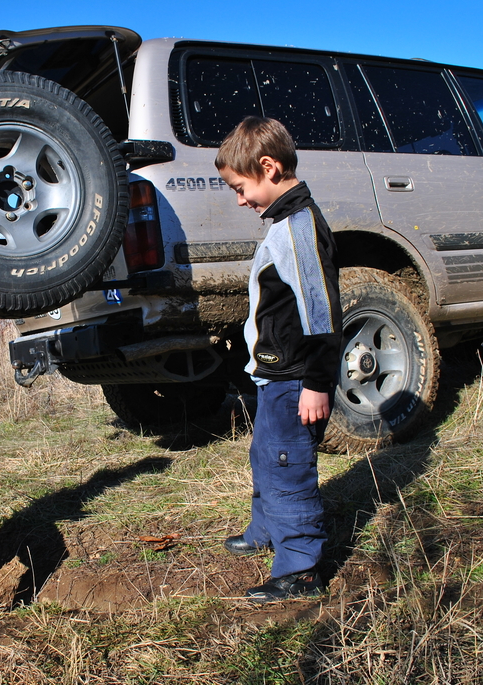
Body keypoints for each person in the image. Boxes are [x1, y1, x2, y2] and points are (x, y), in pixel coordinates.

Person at [215, 116, 342, 602]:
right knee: (266, 455)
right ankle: (265, 529)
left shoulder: (300, 228)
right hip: (275, 374)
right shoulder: (285, 224)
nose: (241, 199)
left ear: (268, 168)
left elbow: (322, 314)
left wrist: (317, 381)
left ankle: (301, 567)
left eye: (241, 188)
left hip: (296, 379)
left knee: (287, 464)